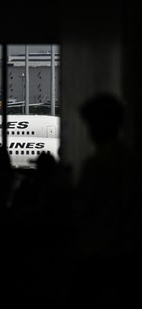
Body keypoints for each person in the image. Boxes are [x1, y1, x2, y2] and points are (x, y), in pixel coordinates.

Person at [69, 93, 141, 307]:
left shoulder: (98, 163)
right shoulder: (131, 160)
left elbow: (82, 209)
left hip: (98, 252)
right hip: (127, 253)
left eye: (91, 124)